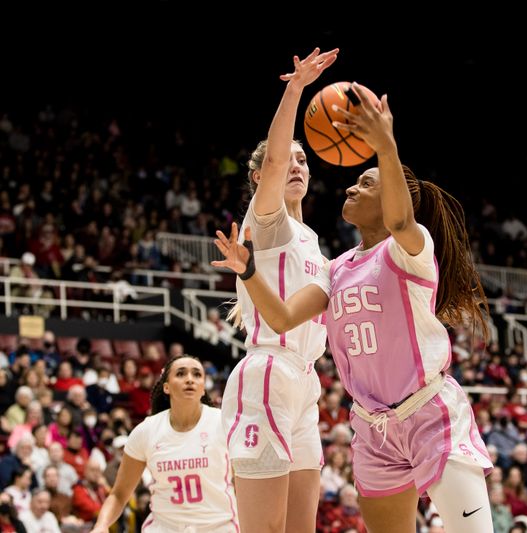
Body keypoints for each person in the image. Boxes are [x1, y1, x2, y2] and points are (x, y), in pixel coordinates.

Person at [212, 83, 493, 533]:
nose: (298, 166)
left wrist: (385, 145)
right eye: (290, 160)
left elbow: (400, 220)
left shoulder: (371, 251)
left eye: (366, 182)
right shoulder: (299, 243)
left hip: (365, 395)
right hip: (314, 393)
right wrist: (247, 274)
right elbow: (282, 317)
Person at [219, 47, 338, 533]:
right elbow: (272, 159)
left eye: (302, 159)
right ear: (258, 177)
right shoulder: (267, 224)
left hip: (305, 382)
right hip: (268, 371)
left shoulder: (313, 241)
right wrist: (296, 90)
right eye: (285, 159)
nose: (294, 165)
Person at [89, 356, 237, 533]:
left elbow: (246, 486)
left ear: (203, 387)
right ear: (166, 387)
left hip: (219, 527)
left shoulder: (225, 424)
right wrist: (101, 525)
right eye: (181, 374)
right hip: (164, 527)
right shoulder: (146, 431)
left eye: (197, 375)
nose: (190, 379)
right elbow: (119, 494)